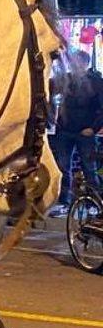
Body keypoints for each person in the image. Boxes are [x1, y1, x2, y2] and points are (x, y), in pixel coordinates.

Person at [52, 53, 103, 211]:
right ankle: (63, 201)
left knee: (89, 168)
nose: (74, 65)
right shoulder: (64, 80)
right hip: (64, 130)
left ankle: (93, 203)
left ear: (85, 63)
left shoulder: (96, 82)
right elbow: (53, 95)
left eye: (78, 62)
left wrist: (93, 128)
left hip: (85, 131)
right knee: (62, 167)